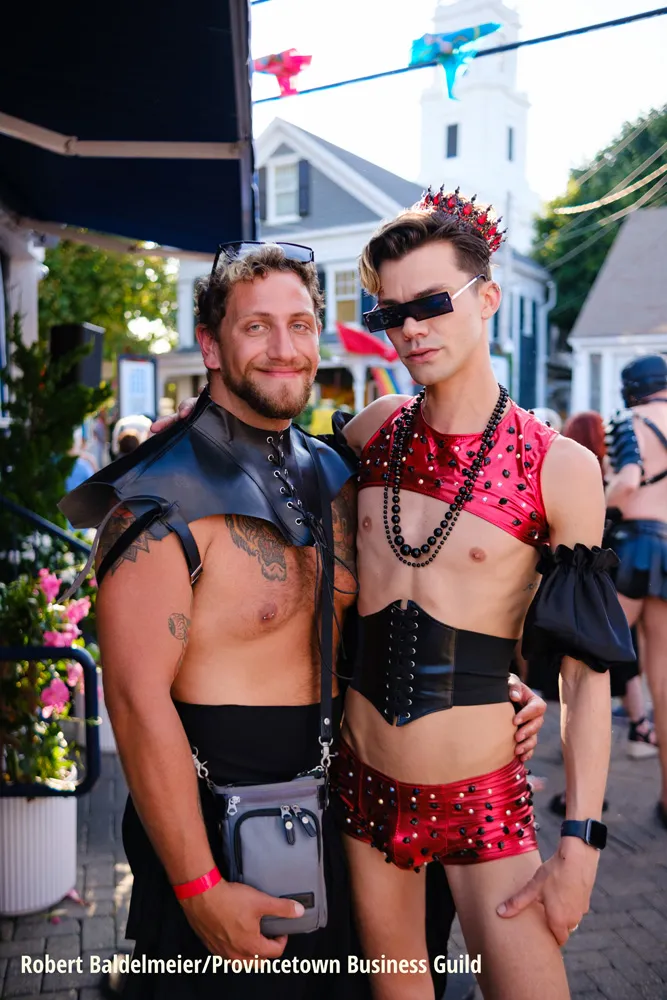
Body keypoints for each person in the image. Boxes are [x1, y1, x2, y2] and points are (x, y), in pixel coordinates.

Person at [158, 189, 633, 1000]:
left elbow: (586, 678)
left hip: (484, 801)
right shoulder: (370, 432)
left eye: (432, 303)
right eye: (391, 313)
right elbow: (291, 539)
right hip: (364, 792)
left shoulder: (560, 467)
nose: (411, 328)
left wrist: (579, 844)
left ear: (488, 298)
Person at [60, 240, 545, 1000]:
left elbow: (402, 612)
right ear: (210, 344)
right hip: (223, 839)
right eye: (256, 327)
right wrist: (197, 888)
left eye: (300, 325)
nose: (283, 349)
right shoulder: (152, 502)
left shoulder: (341, 472)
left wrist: (491, 688)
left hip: (354, 826)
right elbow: (133, 702)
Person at [605, 354, 667, 829]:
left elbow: (626, 481)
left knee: (588, 659)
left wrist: (598, 507)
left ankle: (583, 797)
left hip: (632, 546)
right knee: (662, 681)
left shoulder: (631, 421)